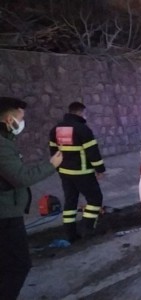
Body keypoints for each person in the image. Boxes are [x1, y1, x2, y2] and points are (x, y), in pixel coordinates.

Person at [0, 97, 63, 300]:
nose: (23, 122)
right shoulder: (2, 146)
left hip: (7, 211)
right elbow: (21, 177)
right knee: (18, 265)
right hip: (5, 215)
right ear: (10, 119)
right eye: (21, 117)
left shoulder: (6, 142)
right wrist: (51, 165)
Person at [49, 101, 106, 242]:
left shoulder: (55, 129)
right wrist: (100, 169)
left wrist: (58, 169)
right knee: (95, 199)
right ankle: (88, 228)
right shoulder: (82, 129)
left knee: (70, 202)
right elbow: (92, 152)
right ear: (80, 112)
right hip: (83, 172)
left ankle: (71, 234)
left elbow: (53, 152)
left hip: (65, 173)